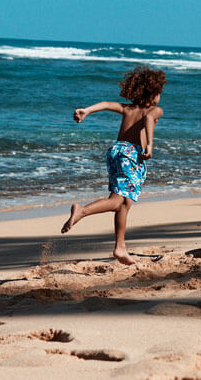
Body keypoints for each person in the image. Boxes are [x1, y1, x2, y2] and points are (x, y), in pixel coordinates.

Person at [61, 66, 166, 265]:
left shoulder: (128, 108)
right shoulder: (154, 110)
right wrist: (150, 144)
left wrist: (87, 110)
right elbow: (150, 120)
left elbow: (107, 104)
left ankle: (120, 247)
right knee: (118, 201)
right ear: (153, 93)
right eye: (159, 93)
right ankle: (82, 210)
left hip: (116, 151)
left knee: (124, 204)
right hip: (132, 155)